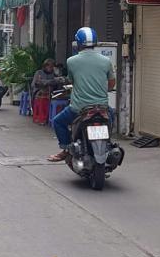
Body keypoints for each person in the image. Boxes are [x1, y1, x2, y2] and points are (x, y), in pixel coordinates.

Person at [49, 28, 114, 162]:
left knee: (58, 121)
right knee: (112, 116)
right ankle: (108, 143)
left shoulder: (71, 61)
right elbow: (111, 84)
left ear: (78, 43)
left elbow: (72, 80)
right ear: (95, 42)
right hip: (102, 107)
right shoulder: (106, 61)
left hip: (79, 108)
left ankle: (66, 149)